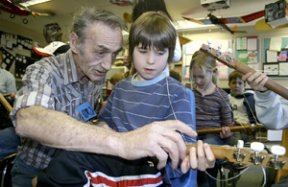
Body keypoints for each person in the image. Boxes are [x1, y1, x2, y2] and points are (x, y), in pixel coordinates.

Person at [10, 7, 215, 187]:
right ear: (74, 42)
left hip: (90, 169)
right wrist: (122, 142)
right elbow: (28, 119)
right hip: (37, 169)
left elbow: (98, 118)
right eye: (100, 52)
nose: (108, 65)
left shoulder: (95, 74)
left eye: (114, 53)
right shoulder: (44, 71)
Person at [189, 50, 233, 187]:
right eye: (194, 77)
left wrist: (227, 131)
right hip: (192, 136)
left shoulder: (222, 96)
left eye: (201, 77)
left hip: (213, 138)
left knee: (205, 149)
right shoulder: (189, 94)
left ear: (213, 72)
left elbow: (227, 125)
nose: (197, 81)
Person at [227, 70, 259, 144]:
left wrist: (252, 127)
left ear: (244, 85)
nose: (236, 85)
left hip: (246, 127)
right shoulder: (227, 98)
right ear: (229, 84)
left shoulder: (249, 97)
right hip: (232, 126)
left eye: (240, 83)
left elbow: (253, 116)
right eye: (234, 83)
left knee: (236, 141)